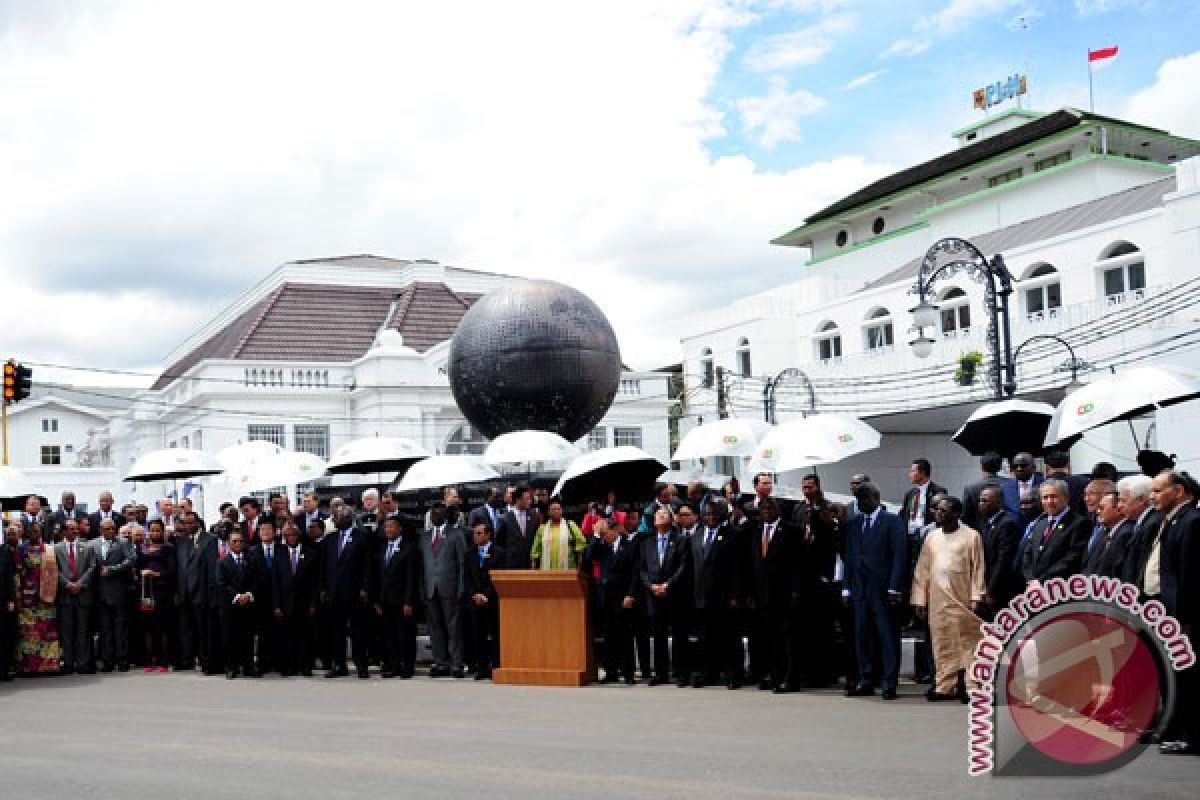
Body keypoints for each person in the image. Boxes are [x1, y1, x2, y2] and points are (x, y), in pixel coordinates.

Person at [910, 497, 985, 703]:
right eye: (937, 510)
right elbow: (922, 570)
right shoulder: (932, 537)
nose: (938, 514)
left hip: (962, 598)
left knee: (968, 642)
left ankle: (972, 686)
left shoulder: (971, 536)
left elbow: (978, 568)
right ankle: (945, 685)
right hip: (936, 599)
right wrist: (919, 599)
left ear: (957, 514)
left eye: (944, 511)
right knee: (942, 643)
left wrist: (977, 595)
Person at [1151, 470, 1200, 754]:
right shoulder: (1175, 521)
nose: (1153, 497)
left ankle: (1192, 737)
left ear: (1178, 491)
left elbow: (1190, 577)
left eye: (1158, 491)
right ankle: (1182, 731)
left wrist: (1185, 619)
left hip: (1186, 617)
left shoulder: (1191, 522)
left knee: (1190, 677)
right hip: (1174, 614)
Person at [844, 483, 906, 701]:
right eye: (858, 501)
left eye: (865, 500)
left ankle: (889, 682)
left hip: (883, 590)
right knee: (862, 635)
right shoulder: (854, 524)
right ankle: (866, 678)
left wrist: (894, 586)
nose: (861, 505)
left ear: (876, 498)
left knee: (887, 636)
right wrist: (846, 587)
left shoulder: (892, 521)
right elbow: (849, 557)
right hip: (860, 589)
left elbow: (899, 556)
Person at [635, 507, 688, 686]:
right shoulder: (646, 542)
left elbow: (683, 566)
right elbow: (642, 569)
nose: (661, 515)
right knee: (658, 635)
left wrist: (668, 584)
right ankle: (661, 673)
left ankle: (681, 673)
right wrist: (651, 586)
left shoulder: (681, 540)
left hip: (675, 593)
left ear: (672, 519)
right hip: (654, 594)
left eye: (664, 514)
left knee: (679, 634)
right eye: (658, 514)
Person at [688, 501, 739, 689]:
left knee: (727, 637)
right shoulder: (696, 536)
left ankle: (732, 674)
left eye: (713, 514)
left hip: (723, 596)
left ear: (720, 515)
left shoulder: (732, 535)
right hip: (701, 596)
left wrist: (735, 595)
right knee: (705, 638)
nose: (710, 517)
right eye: (707, 514)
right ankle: (708, 673)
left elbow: (736, 569)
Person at [794, 473, 838, 687]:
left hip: (823, 573)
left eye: (810, 487)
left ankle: (825, 673)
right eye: (804, 487)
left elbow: (831, 536)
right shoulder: (798, 509)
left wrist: (821, 515)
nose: (807, 491)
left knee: (823, 627)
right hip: (803, 573)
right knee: (805, 626)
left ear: (818, 487)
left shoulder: (827, 507)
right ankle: (807, 671)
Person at [582, 517, 637, 684]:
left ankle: (628, 673)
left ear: (615, 530)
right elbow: (588, 558)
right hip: (605, 598)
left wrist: (630, 594)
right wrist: (596, 536)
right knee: (608, 636)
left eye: (606, 533)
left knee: (625, 636)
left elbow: (635, 572)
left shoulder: (628, 545)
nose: (604, 537)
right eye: (603, 534)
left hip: (623, 596)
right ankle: (611, 671)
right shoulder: (602, 546)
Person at [321, 508, 372, 679]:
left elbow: (367, 566)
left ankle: (361, 665)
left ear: (348, 519)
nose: (333, 520)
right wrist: (323, 588)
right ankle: (339, 664)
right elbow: (324, 567)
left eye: (336, 517)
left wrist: (365, 587)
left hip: (355, 592)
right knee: (336, 631)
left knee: (358, 631)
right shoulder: (330, 539)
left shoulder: (361, 537)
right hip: (334, 593)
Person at [419, 501, 467, 678]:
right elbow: (422, 566)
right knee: (435, 628)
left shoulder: (456, 534)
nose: (434, 515)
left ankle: (456, 664)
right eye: (432, 512)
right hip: (430, 589)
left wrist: (461, 587)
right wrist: (422, 589)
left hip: (451, 588)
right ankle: (441, 663)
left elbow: (462, 563)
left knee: (453, 628)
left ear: (445, 515)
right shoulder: (424, 537)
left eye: (438, 512)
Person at [370, 516, 420, 679]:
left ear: (399, 529)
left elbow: (412, 577)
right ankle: (394, 665)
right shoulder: (382, 548)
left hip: (402, 600)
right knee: (389, 635)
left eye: (391, 527)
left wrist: (408, 601)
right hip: (386, 600)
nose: (388, 530)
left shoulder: (409, 548)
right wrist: (377, 600)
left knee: (405, 635)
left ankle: (408, 666)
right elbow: (378, 576)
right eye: (386, 527)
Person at [1022, 479, 1089, 587]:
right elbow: (1028, 554)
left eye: (1053, 496)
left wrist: (1042, 580)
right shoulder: (1040, 523)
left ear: (1066, 498)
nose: (1049, 501)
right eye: (1045, 497)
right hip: (1034, 587)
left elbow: (1072, 558)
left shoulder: (1079, 523)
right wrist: (1031, 579)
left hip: (1061, 588)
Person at [273, 522, 320, 677]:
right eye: (287, 535)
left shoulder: (310, 553)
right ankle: (289, 666)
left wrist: (313, 603)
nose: (291, 538)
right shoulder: (278, 554)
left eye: (293, 535)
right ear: (284, 537)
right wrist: (276, 605)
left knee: (305, 636)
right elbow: (275, 582)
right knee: (286, 636)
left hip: (304, 602)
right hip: (285, 604)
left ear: (299, 536)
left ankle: (305, 666)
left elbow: (315, 582)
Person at [215, 531, 262, 679]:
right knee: (230, 638)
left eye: (241, 541)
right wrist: (237, 596)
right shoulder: (222, 562)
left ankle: (248, 667)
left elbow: (258, 579)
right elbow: (221, 583)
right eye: (234, 541)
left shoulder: (252, 559)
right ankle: (231, 667)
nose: (238, 544)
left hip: (248, 605)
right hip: (230, 606)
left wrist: (249, 594)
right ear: (229, 543)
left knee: (247, 637)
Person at [15, 523, 60, 674]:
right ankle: (27, 667)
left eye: (37, 531)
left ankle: (48, 665)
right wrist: (18, 595)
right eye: (32, 531)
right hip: (28, 599)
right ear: (27, 532)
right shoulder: (21, 549)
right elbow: (17, 573)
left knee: (47, 631)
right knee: (28, 633)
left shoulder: (48, 549)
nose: (34, 533)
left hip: (46, 597)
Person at [463, 520, 505, 680]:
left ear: (488, 534)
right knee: (477, 635)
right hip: (475, 601)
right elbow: (467, 578)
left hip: (492, 600)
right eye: (474, 533)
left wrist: (486, 595)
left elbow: (498, 577)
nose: (475, 536)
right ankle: (481, 668)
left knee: (495, 635)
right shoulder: (469, 553)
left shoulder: (499, 553)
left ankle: (496, 665)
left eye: (479, 533)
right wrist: (474, 594)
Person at [54, 520, 97, 674]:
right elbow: (54, 569)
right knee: (66, 631)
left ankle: (83, 663)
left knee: (83, 631)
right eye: (71, 529)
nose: (74, 532)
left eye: (76, 529)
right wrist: (67, 584)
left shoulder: (86, 547)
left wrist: (80, 583)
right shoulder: (56, 549)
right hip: (65, 595)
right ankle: (68, 663)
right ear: (64, 531)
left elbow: (92, 567)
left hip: (83, 594)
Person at [92, 518, 134, 672]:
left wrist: (113, 569)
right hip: (100, 593)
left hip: (118, 591)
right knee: (105, 629)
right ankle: (107, 661)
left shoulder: (123, 542)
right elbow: (91, 566)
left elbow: (131, 559)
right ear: (101, 530)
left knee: (120, 628)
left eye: (113, 528)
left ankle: (123, 660)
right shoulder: (93, 544)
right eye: (108, 529)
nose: (111, 531)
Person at [137, 519, 177, 672]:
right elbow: (137, 567)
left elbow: (172, 570)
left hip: (163, 590)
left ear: (162, 531)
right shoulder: (141, 548)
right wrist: (141, 572)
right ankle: (149, 659)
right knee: (148, 627)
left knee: (162, 626)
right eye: (152, 530)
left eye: (157, 530)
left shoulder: (168, 548)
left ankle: (164, 660)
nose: (154, 533)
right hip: (146, 590)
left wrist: (157, 574)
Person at [174, 511, 210, 671]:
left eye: (190, 523)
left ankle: (204, 660)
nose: (187, 526)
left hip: (201, 592)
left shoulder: (209, 540)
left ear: (197, 523)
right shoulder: (180, 541)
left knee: (202, 629)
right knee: (185, 629)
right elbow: (179, 569)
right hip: (184, 593)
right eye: (185, 523)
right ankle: (186, 660)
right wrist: (178, 592)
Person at [977, 486, 1020, 613]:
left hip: (1000, 588)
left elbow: (1003, 560)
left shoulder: (1006, 524)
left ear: (999, 502)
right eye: (980, 500)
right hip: (987, 581)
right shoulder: (987, 523)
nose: (981, 504)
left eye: (985, 501)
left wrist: (992, 589)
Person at [249, 519, 284, 674]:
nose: (265, 532)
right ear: (258, 533)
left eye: (269, 529)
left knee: (279, 631)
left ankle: (279, 662)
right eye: (262, 530)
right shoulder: (252, 551)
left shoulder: (283, 550)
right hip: (260, 597)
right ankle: (263, 663)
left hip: (280, 597)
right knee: (262, 632)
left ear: (275, 532)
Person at [1120, 475, 1163, 589]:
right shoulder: (1143, 521)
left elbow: (1143, 564)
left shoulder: (1153, 523)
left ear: (1141, 500)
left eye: (1124, 500)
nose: (1119, 506)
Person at [530, 499, 588, 570]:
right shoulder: (542, 528)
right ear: (548, 512)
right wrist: (533, 567)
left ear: (562, 511)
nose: (556, 511)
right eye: (553, 509)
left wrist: (580, 565)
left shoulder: (571, 525)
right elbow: (535, 549)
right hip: (546, 570)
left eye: (558, 509)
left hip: (568, 569)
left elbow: (581, 545)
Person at [1083, 491, 1129, 577]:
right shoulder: (1104, 532)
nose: (1097, 512)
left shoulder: (1125, 533)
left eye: (1101, 508)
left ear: (1118, 510)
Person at [496, 485, 538, 569]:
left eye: (530, 499)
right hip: (511, 564)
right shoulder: (505, 518)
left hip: (530, 563)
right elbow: (499, 542)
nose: (530, 501)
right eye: (527, 499)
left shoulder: (534, 516)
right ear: (518, 500)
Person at [962, 452, 1004, 532]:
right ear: (1000, 467)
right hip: (1006, 532)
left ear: (982, 467)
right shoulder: (1010, 485)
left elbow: (965, 516)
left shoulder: (970, 488)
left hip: (979, 533)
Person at [1043, 450, 1088, 517]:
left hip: (1050, 525)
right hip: (1080, 523)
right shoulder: (1084, 482)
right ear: (1068, 466)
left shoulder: (1041, 487)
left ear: (1047, 468)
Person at [1001, 452, 1043, 518]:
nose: (1019, 469)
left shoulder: (1044, 484)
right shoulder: (1005, 487)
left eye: (1023, 466)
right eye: (1015, 466)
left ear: (1034, 468)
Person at [0, 525, 16, 681]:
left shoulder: (5, 550)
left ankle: (3, 670)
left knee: (4, 636)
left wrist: (11, 599)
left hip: (3, 599)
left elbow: (10, 577)